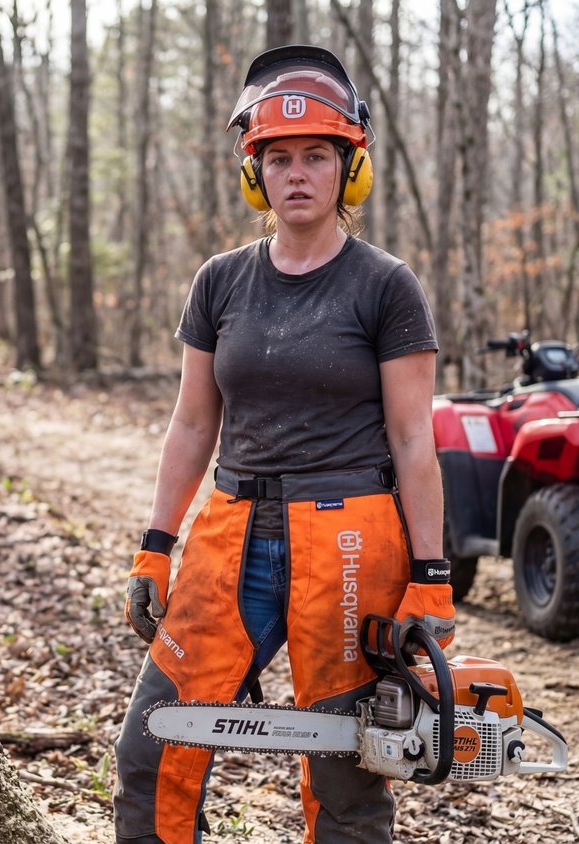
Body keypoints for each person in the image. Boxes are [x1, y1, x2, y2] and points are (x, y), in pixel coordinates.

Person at [113, 45, 453, 844]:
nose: (296, 173)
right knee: (152, 745)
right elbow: (192, 424)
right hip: (231, 535)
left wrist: (432, 578)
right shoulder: (220, 281)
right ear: (254, 173)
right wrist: (155, 545)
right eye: (278, 158)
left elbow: (413, 439)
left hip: (348, 543)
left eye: (316, 156)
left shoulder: (386, 285)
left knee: (348, 771)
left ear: (350, 170)